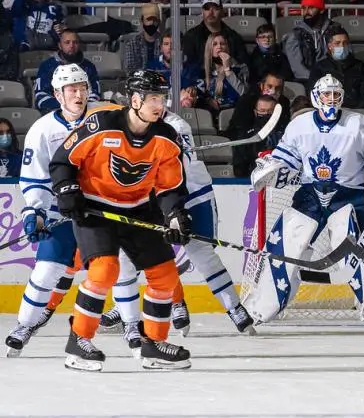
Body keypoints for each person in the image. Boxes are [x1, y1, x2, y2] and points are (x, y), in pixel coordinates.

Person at [49, 70, 191, 371]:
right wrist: (67, 189)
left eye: (162, 97)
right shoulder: (100, 124)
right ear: (136, 99)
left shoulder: (166, 137)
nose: (160, 104)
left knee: (165, 275)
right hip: (95, 208)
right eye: (153, 98)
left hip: (139, 208)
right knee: (104, 270)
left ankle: (152, 345)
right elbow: (64, 160)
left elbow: (169, 186)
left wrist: (175, 214)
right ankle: (78, 341)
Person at [243, 74, 364, 328]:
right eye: (326, 94)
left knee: (351, 247)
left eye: (335, 95)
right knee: (284, 242)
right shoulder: (299, 125)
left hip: (349, 194)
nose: (330, 99)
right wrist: (269, 168)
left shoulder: (360, 124)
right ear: (317, 96)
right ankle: (259, 307)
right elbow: (287, 159)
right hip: (310, 193)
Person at [94, 104, 256, 340]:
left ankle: (234, 308)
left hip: (192, 195)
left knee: (203, 254)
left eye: (158, 100)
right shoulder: (126, 127)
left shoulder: (178, 126)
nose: (155, 106)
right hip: (154, 198)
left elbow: (176, 169)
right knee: (146, 256)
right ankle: (173, 302)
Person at [4, 64, 92, 357]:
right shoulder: (43, 129)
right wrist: (36, 212)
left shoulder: (101, 121)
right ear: (57, 94)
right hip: (61, 213)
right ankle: (24, 326)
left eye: (83, 87)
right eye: (72, 89)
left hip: (98, 212)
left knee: (116, 271)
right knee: (45, 272)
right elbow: (34, 177)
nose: (79, 94)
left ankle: (129, 325)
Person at [226, 72, 291, 176]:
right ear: (262, 86)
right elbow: (238, 128)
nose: (273, 91)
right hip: (249, 145)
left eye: (277, 88)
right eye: (269, 86)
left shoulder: (284, 102)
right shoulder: (247, 100)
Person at [307, 25, 364, 109]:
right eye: (337, 43)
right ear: (330, 46)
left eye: (345, 43)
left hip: (356, 112)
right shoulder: (320, 67)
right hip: (329, 111)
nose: (342, 46)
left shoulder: (360, 66)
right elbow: (314, 94)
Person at [34, 29, 101, 113]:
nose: (72, 45)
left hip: (84, 112)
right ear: (60, 45)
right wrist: (68, 105)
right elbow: (41, 97)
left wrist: (81, 106)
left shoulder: (89, 66)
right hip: (55, 112)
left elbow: (95, 94)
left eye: (75, 42)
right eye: (67, 42)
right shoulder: (47, 66)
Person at [283, 0, 339, 83]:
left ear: (321, 10)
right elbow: (298, 69)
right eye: (303, 8)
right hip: (307, 81)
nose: (306, 12)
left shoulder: (335, 30)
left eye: (311, 8)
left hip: (333, 79)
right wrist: (318, 81)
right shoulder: (295, 35)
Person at [182, 0, 249, 68]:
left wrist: (229, 64)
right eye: (207, 8)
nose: (211, 12)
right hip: (200, 77)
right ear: (202, 11)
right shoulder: (190, 36)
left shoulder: (234, 37)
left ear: (222, 11)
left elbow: (243, 64)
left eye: (215, 8)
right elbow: (188, 67)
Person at [146, 31, 203, 109]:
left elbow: (199, 91)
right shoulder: (151, 67)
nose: (170, 47)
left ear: (181, 47)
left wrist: (193, 90)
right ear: (161, 48)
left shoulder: (193, 68)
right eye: (166, 44)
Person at [201, 32, 249, 114]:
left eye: (222, 44)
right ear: (209, 49)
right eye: (215, 44)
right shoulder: (203, 71)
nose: (219, 46)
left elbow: (243, 94)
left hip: (235, 112)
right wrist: (208, 100)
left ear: (227, 47)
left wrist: (227, 69)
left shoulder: (240, 68)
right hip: (211, 114)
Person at [123, 4, 162, 74]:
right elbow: (130, 70)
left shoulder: (165, 42)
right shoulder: (132, 44)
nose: (152, 23)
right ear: (142, 21)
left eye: (155, 20)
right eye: (149, 19)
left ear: (159, 22)